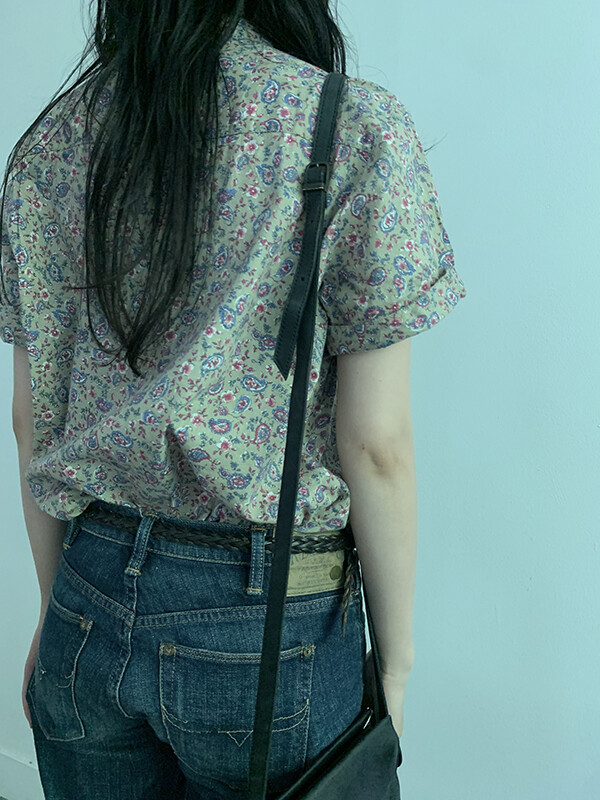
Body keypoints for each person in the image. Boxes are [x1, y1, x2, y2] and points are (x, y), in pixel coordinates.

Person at [0, 2, 467, 798]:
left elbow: (30, 417)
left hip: (88, 588)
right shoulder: (345, 126)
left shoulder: (58, 137)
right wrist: (395, 662)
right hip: (266, 617)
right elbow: (376, 444)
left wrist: (58, 611)